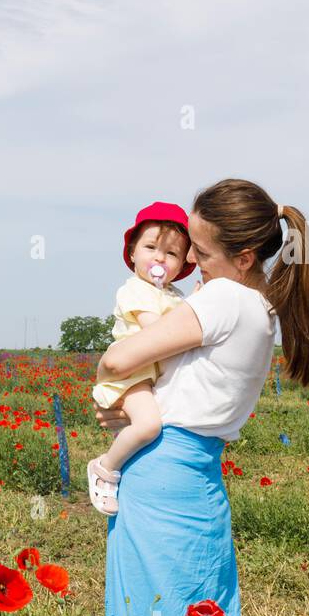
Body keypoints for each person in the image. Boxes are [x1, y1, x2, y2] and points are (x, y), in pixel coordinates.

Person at [94, 178, 309, 616]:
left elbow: (118, 361)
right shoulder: (262, 311)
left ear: (243, 257)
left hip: (162, 475)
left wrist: (120, 381)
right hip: (196, 474)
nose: (188, 262)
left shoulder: (223, 299)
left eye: (197, 248)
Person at [87, 202, 197, 516]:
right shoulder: (134, 290)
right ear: (133, 252)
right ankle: (105, 468)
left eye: (172, 253)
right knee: (148, 426)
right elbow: (158, 332)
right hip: (131, 373)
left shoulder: (174, 296)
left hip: (150, 375)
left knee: (145, 427)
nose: (160, 258)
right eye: (151, 247)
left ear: (181, 266)